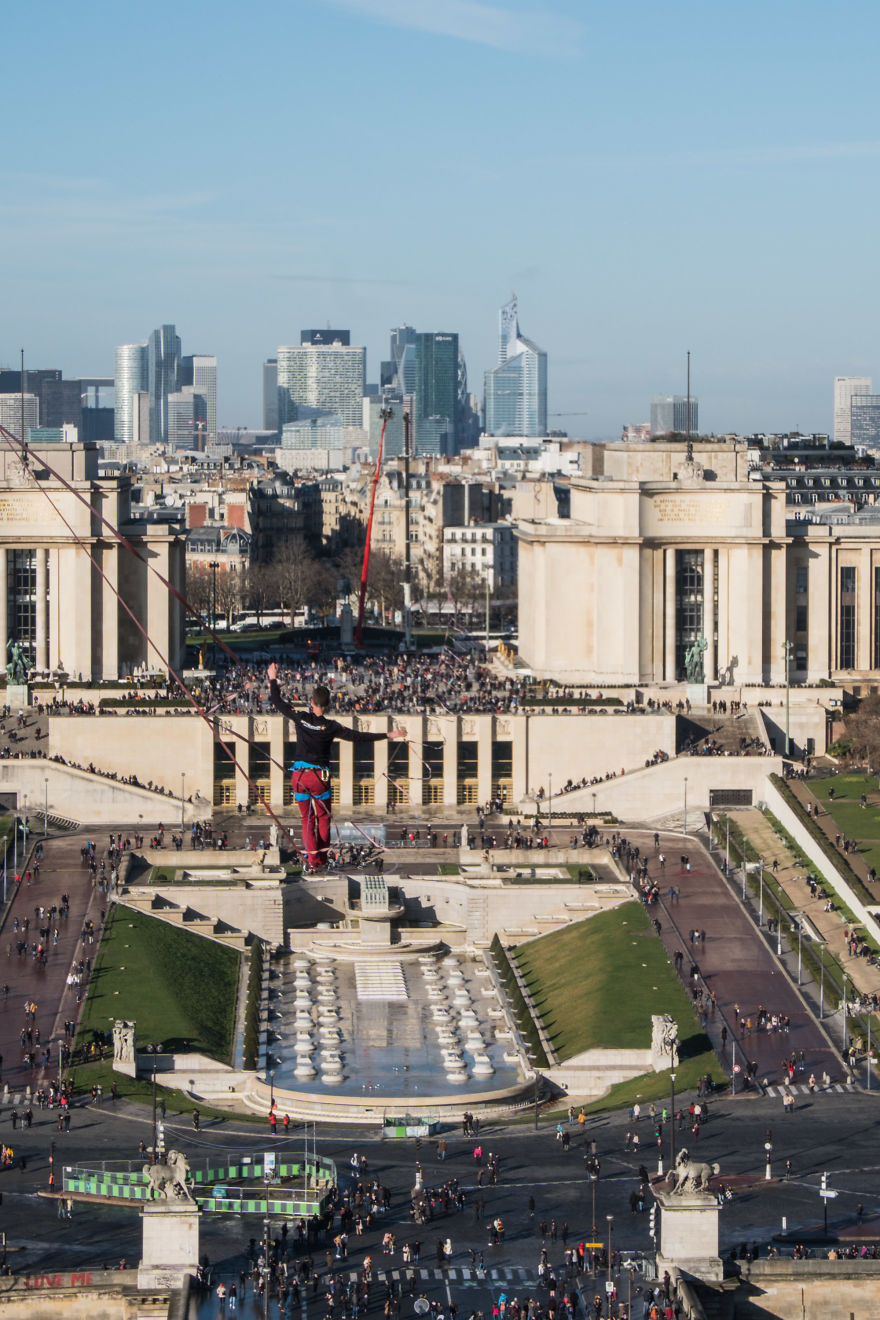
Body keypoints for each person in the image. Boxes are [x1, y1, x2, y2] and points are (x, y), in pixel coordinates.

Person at [267, 662, 406, 873]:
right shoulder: (331, 726)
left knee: (307, 819)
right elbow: (358, 736)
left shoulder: (301, 718)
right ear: (328, 705)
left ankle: (312, 860)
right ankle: (321, 859)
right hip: (319, 778)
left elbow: (277, 701)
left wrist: (272, 677)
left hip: (300, 777)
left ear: (311, 702)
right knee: (323, 818)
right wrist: (389, 735)